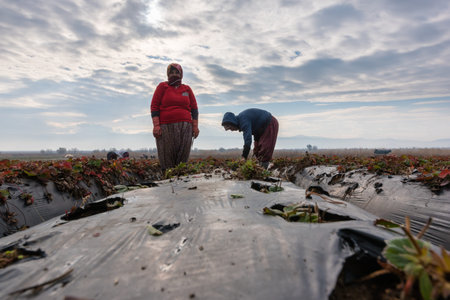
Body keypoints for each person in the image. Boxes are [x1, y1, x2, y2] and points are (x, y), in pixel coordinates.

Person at [150, 63, 199, 171]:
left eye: (177, 72)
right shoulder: (162, 87)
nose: (174, 74)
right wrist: (156, 125)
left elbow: (194, 109)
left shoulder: (187, 89)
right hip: (166, 127)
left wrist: (195, 127)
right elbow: (154, 107)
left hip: (185, 127)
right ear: (167, 74)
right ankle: (168, 183)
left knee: (182, 159)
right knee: (167, 158)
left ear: (181, 74)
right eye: (171, 72)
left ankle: (180, 183)